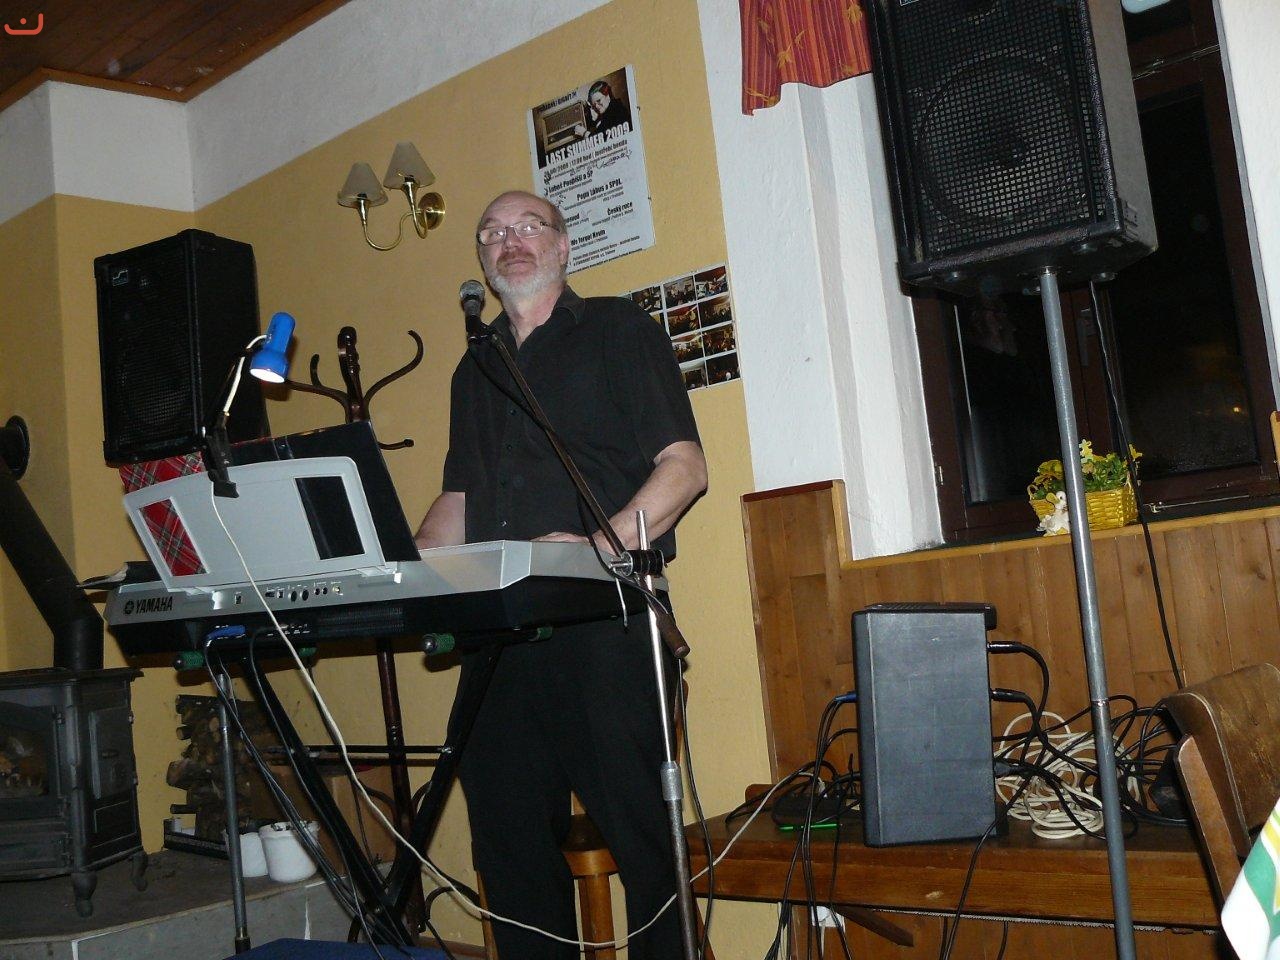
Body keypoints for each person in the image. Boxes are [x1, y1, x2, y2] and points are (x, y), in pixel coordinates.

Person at [415, 189, 708, 960]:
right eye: (491, 232)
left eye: (527, 226)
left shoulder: (618, 330)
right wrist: (410, 567)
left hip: (604, 621)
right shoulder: (474, 368)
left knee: (645, 844)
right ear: (481, 259)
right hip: (498, 636)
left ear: (564, 246)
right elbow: (459, 497)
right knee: (508, 850)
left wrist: (591, 548)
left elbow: (684, 468)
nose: (508, 240)